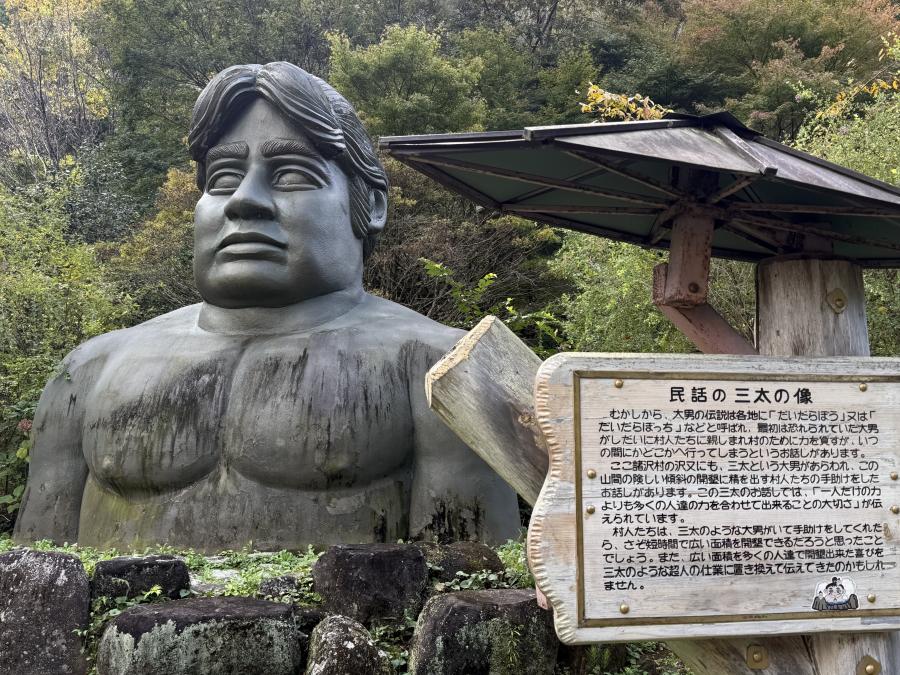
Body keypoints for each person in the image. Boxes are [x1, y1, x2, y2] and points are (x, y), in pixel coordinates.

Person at [14, 62, 520, 552]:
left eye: (291, 174)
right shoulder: (87, 371)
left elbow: (474, 585)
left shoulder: (442, 366)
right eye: (223, 177)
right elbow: (31, 582)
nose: (243, 200)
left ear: (373, 207)